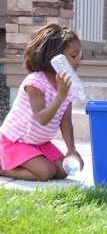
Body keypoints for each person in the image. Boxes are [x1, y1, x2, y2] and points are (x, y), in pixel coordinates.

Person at [0, 23, 84, 181]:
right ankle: (2, 168)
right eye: (74, 56)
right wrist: (60, 96)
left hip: (39, 142)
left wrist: (71, 149)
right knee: (46, 172)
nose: (78, 62)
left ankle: (27, 161)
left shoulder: (67, 86)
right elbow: (41, 118)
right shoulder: (35, 82)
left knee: (63, 170)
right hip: (16, 141)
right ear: (56, 57)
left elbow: (65, 122)